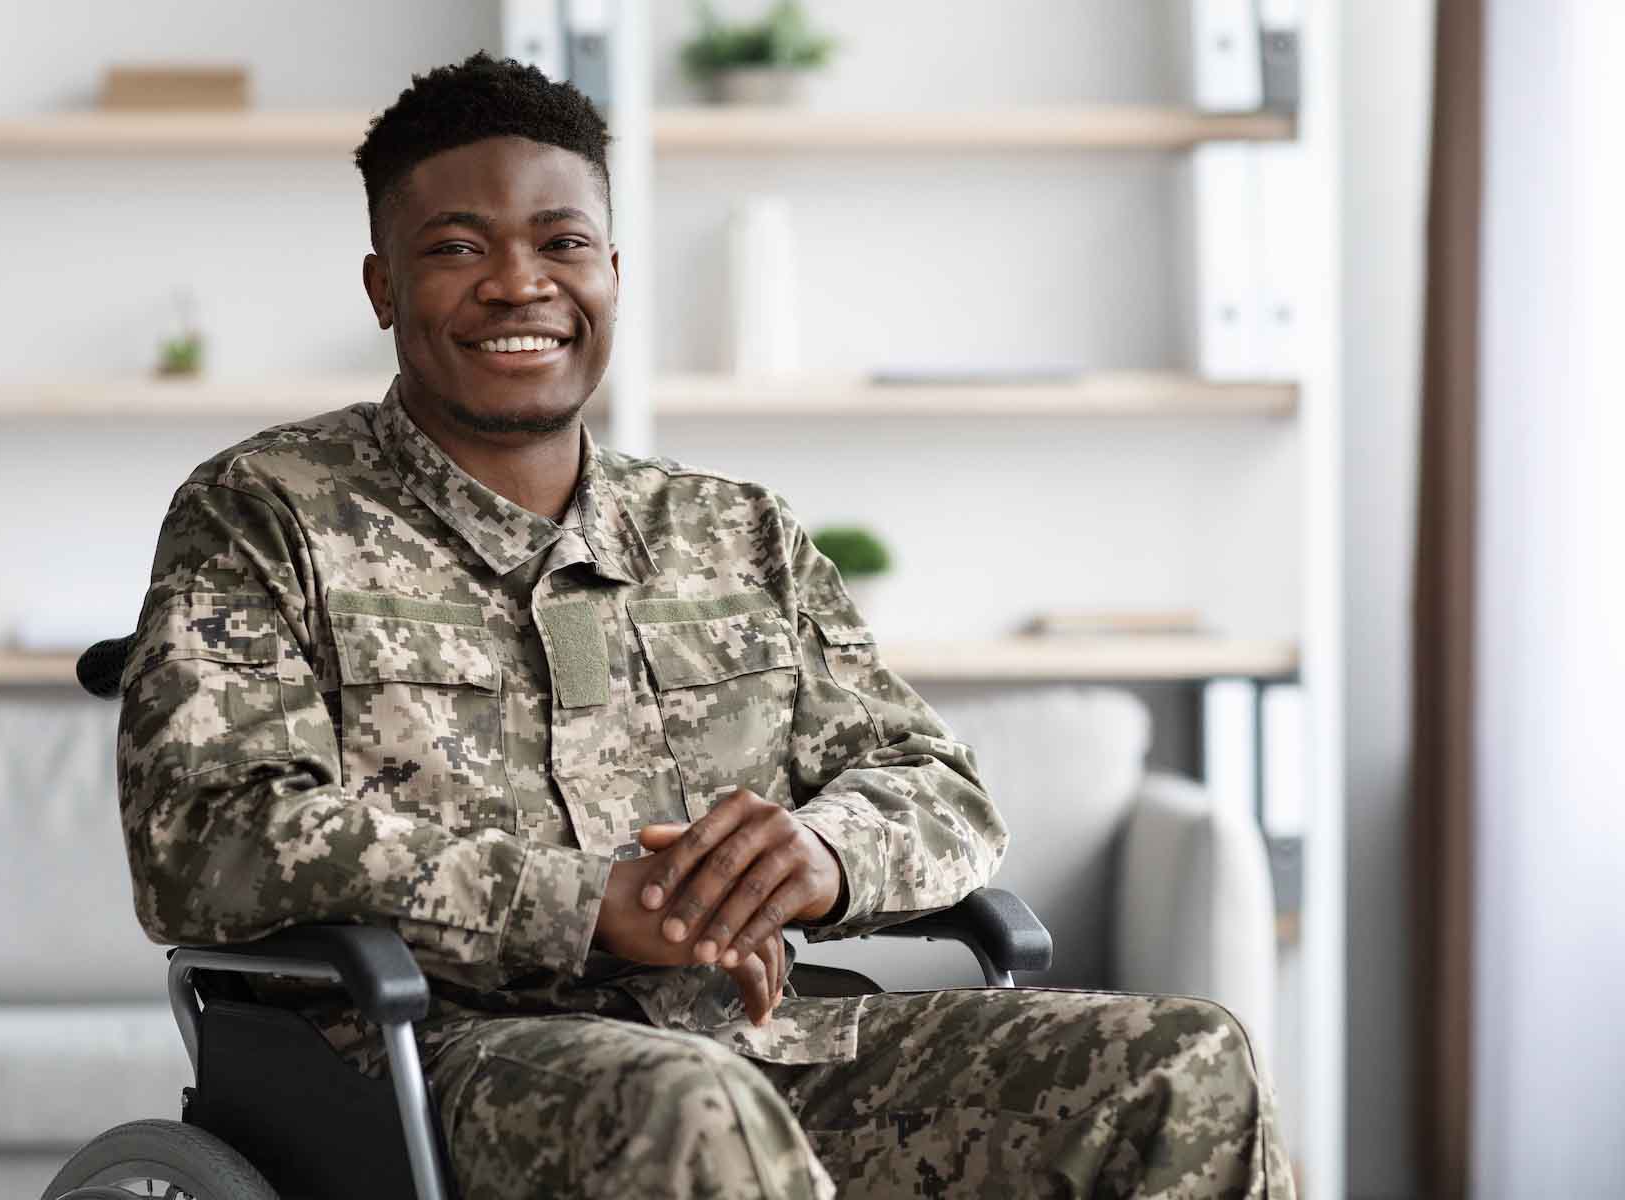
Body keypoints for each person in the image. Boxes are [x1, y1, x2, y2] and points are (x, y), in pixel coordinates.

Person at [116, 51, 1293, 1200]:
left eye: (561, 244)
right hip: (434, 1063)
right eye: (457, 249)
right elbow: (210, 835)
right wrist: (588, 903)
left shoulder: (733, 530)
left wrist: (821, 856)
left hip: (759, 1038)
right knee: (690, 1107)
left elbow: (933, 785)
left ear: (613, 271)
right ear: (383, 287)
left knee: (1182, 1063)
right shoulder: (262, 510)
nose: (519, 283)